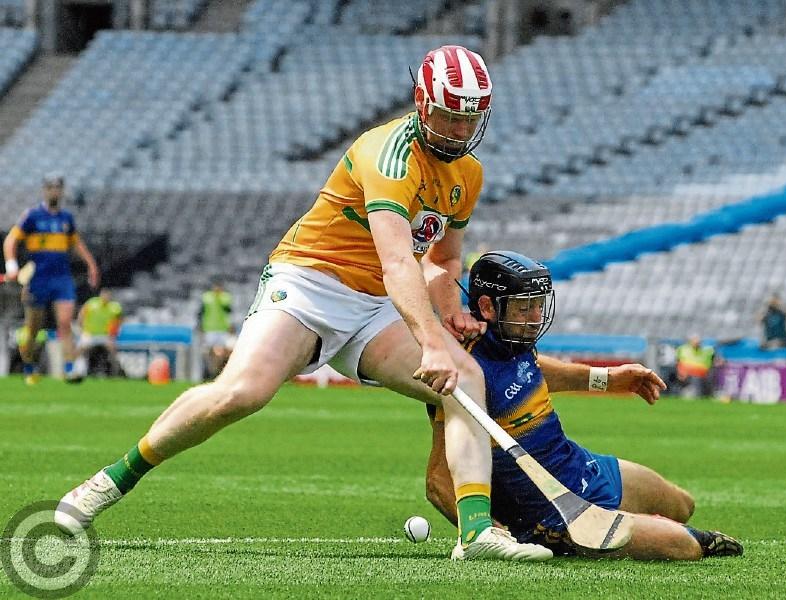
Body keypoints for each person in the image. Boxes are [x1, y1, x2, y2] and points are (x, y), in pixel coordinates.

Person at [55, 46, 552, 562]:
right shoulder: (388, 154)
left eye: (468, 118)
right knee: (240, 394)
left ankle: (477, 534)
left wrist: (449, 306)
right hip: (311, 283)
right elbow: (399, 262)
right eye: (448, 115)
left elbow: (444, 259)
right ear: (421, 104)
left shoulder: (467, 174)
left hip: (377, 306)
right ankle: (108, 482)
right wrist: (431, 342)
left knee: (467, 380)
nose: (456, 129)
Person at [425, 251, 743, 560]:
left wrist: (607, 379)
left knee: (682, 505)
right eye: (525, 309)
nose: (536, 318)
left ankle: (629, 523)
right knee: (686, 545)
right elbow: (438, 482)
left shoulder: (513, 341)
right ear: (487, 306)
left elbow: (536, 371)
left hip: (579, 465)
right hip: (553, 512)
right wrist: (495, 534)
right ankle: (626, 529)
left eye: (538, 306)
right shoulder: (462, 369)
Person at [2, 173, 100, 384]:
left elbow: (76, 243)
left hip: (61, 278)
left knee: (65, 322)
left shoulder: (66, 219)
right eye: (50, 187)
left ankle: (70, 369)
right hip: (38, 279)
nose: (54, 191)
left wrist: (91, 264)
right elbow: (10, 241)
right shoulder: (32, 216)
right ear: (44, 190)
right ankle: (28, 365)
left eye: (57, 187)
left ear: (62, 191)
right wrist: (11, 265)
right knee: (33, 328)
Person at [78, 288, 123, 376]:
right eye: (104, 295)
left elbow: (119, 320)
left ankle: (116, 372)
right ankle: (79, 372)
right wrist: (83, 329)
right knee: (81, 349)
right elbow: (81, 315)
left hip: (105, 336)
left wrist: (114, 333)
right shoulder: (92, 303)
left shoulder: (115, 307)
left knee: (113, 349)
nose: (105, 297)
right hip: (90, 334)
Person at [198, 282, 235, 379]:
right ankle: (209, 372)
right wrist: (200, 326)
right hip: (209, 328)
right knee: (209, 352)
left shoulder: (225, 297)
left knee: (222, 352)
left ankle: (218, 372)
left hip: (222, 329)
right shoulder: (206, 297)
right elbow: (201, 312)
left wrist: (231, 326)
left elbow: (229, 311)